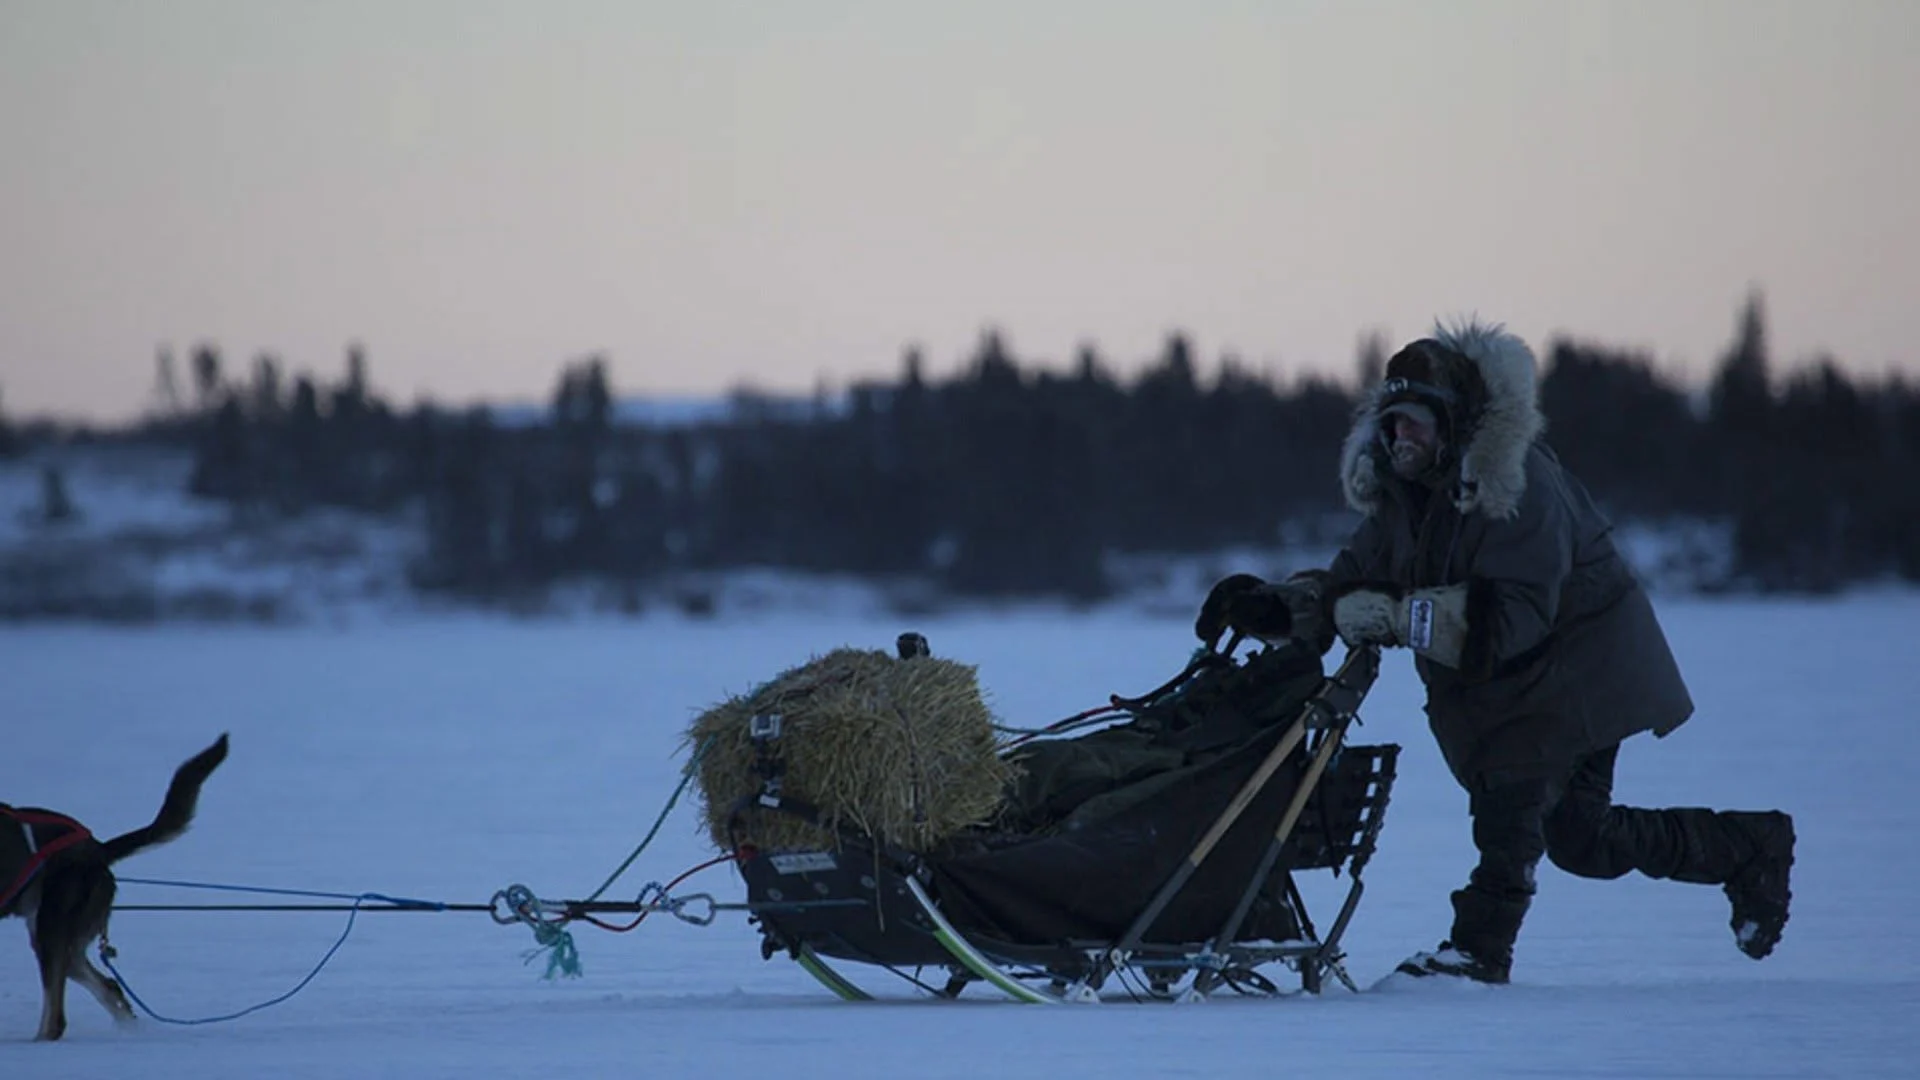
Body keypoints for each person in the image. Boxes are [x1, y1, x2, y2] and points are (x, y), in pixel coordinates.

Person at [1193, 317, 1795, 985]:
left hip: (1576, 670)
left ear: (1451, 422)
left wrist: (1393, 616)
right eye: (1390, 423)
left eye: (1414, 421)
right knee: (1580, 838)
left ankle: (1479, 953)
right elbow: (1349, 582)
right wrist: (1275, 607)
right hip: (1519, 683)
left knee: (1513, 801)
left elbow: (1513, 620)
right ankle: (1747, 847)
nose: (1399, 437)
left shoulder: (1518, 484)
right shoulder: (1406, 498)